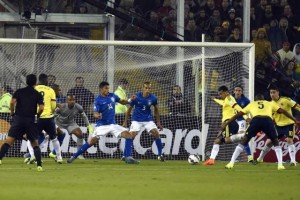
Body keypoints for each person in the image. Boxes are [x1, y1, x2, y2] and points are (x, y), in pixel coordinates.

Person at [67, 81, 138, 164]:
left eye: (108, 88)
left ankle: (127, 157)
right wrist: (97, 115)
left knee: (129, 136)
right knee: (91, 142)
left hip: (113, 125)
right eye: (106, 88)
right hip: (102, 126)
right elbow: (95, 113)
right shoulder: (98, 101)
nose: (108, 90)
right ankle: (74, 156)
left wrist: (130, 100)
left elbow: (122, 101)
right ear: (101, 89)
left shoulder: (112, 96)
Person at [222, 94, 297, 170]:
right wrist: (294, 119)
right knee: (275, 141)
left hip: (256, 121)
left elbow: (238, 114)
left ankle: (231, 163)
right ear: (263, 99)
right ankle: (280, 165)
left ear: (255, 100)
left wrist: (227, 123)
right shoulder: (270, 103)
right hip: (267, 121)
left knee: (244, 140)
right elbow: (283, 111)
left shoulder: (252, 104)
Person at [0, 74, 44, 171]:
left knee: (9, 141)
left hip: (18, 119)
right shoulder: (37, 94)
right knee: (35, 143)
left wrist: (12, 113)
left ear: (26, 81)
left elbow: (12, 102)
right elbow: (41, 108)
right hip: (30, 120)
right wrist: (37, 115)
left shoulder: (19, 91)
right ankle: (39, 166)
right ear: (35, 82)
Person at [203, 85, 248, 165]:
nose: (220, 96)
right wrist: (215, 99)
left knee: (226, 140)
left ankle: (245, 134)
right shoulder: (226, 100)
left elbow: (237, 107)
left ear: (226, 92)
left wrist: (245, 117)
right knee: (217, 141)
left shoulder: (230, 98)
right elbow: (222, 102)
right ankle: (211, 160)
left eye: (221, 94)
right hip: (228, 123)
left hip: (229, 123)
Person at [256, 85, 300, 166]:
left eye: (274, 92)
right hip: (278, 125)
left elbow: (297, 106)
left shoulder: (286, 100)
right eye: (271, 93)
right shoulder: (269, 104)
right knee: (269, 142)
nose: (272, 94)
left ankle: (293, 161)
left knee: (289, 140)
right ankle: (260, 158)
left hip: (289, 124)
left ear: (278, 93)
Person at [122, 81, 164, 162]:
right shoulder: (136, 97)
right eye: (146, 88)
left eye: (149, 88)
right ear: (142, 88)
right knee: (131, 135)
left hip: (148, 119)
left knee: (156, 133)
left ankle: (160, 155)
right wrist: (125, 121)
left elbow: (156, 110)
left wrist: (158, 122)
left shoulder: (153, 98)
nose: (147, 89)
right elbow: (129, 110)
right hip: (136, 119)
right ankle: (125, 155)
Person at [50, 95, 94, 160]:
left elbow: (84, 117)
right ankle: (52, 153)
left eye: (73, 100)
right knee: (50, 136)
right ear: (67, 101)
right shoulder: (62, 107)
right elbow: (52, 115)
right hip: (58, 123)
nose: (72, 101)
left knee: (80, 134)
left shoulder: (78, 107)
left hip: (70, 123)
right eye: (70, 100)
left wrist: (88, 126)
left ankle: (79, 154)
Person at [35, 74, 63, 163]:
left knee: (35, 139)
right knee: (54, 138)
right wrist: (51, 110)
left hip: (37, 117)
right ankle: (59, 157)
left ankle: (35, 157)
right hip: (48, 117)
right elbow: (54, 106)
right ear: (45, 80)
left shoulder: (34, 89)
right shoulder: (50, 90)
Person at [233, 85, 253, 162]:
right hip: (232, 121)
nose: (238, 92)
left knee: (242, 138)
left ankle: (249, 157)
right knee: (230, 138)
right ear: (234, 91)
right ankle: (235, 158)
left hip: (241, 121)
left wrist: (249, 120)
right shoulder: (231, 100)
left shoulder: (246, 100)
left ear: (242, 92)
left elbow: (250, 111)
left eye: (239, 91)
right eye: (236, 90)